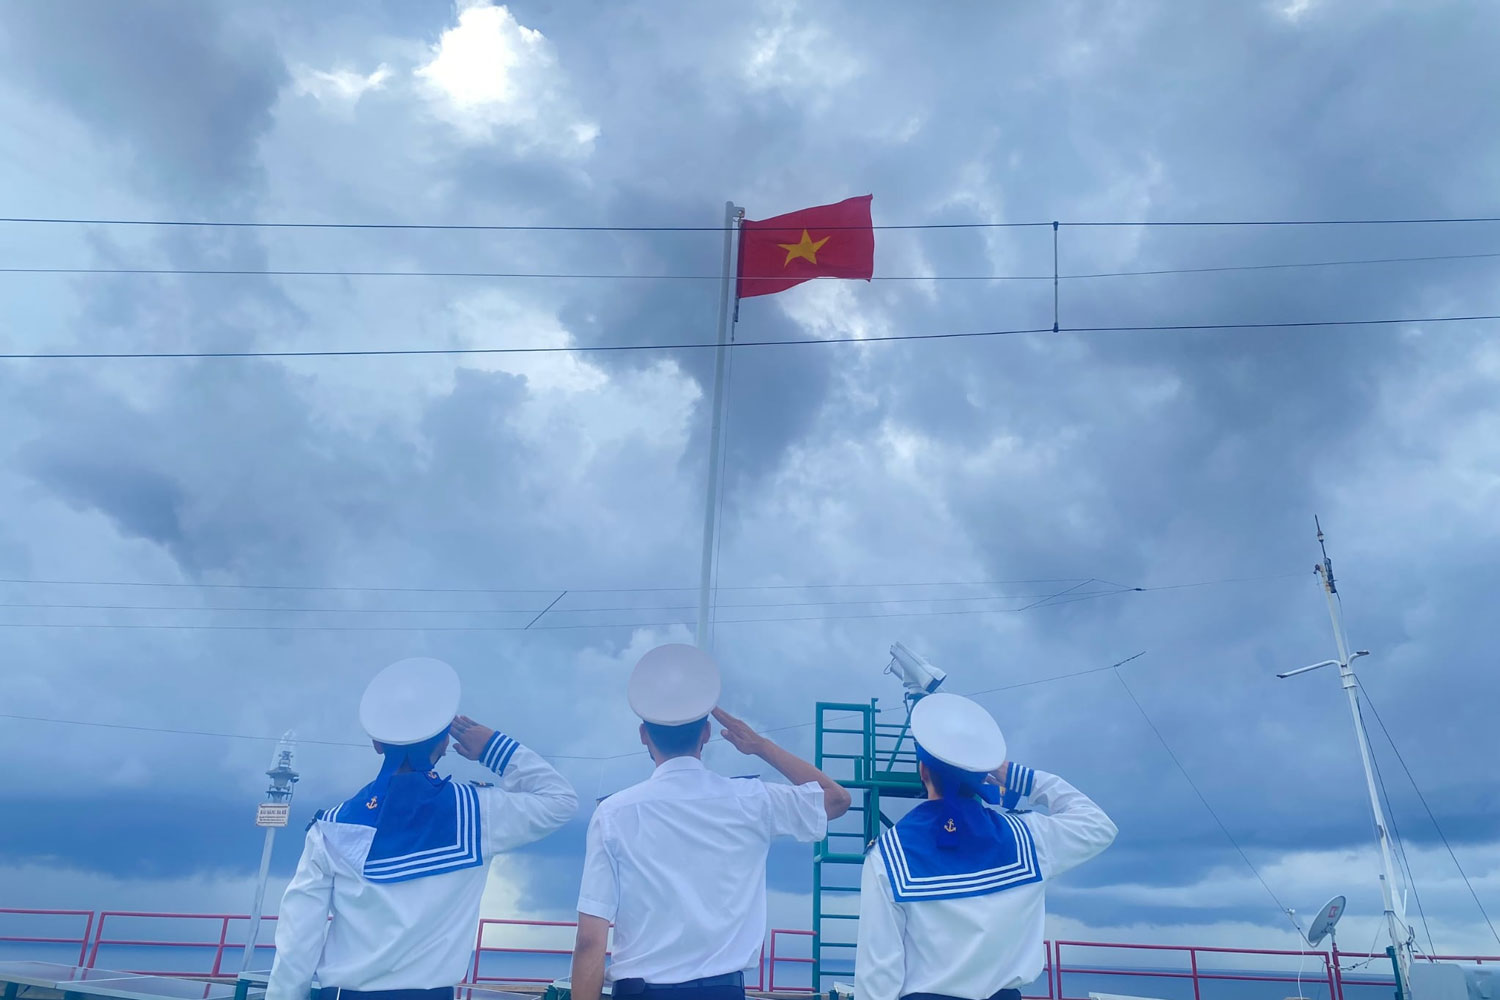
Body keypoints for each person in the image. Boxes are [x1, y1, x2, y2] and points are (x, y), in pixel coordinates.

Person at [267, 657, 578, 1000]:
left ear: (377, 743)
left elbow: (297, 940)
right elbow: (560, 800)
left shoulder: (331, 827)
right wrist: (494, 748)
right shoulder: (479, 813)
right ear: (444, 742)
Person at [569, 643, 853, 1000]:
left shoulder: (613, 814)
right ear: (706, 733)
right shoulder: (752, 801)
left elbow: (589, 941)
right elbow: (837, 799)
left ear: (643, 735)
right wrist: (761, 746)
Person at [855, 692, 1116, 1000]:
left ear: (923, 771)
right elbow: (1098, 826)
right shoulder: (1028, 838)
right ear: (984, 774)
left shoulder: (888, 856)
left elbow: (877, 979)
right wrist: (1019, 776)